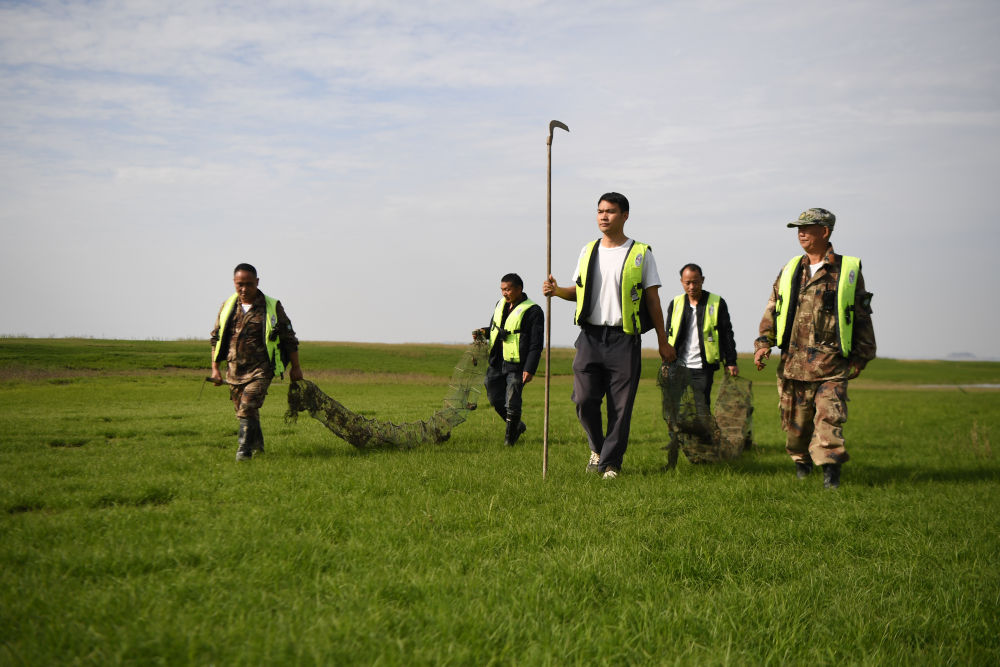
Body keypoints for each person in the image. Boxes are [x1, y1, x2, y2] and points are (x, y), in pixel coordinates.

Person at [543, 192, 676, 479]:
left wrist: (662, 341)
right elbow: (579, 292)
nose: (604, 216)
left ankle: (611, 464)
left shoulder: (641, 253)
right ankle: (597, 448)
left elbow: (652, 300)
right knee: (583, 399)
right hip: (590, 337)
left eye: (611, 211)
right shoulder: (588, 250)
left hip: (624, 339)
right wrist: (557, 291)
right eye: (600, 211)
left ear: (625, 215)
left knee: (620, 406)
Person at [753, 208, 876, 488]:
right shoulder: (790, 269)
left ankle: (831, 476)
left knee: (829, 420)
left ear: (825, 231)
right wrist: (763, 344)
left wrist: (862, 355)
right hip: (793, 366)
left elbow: (861, 316)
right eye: (799, 228)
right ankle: (802, 463)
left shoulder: (847, 271)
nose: (801, 233)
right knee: (796, 430)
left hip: (831, 365)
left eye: (807, 228)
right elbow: (773, 308)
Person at [210, 263, 303, 461]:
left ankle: (243, 452)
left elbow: (289, 338)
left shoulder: (272, 306)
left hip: (261, 369)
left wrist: (296, 367)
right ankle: (258, 446)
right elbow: (216, 339)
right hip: (234, 371)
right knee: (246, 411)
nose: (244, 289)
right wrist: (215, 369)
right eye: (240, 284)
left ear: (257, 282)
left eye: (249, 284)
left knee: (248, 406)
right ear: (234, 283)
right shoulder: (227, 306)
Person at [663, 263, 739, 468]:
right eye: (687, 282)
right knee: (673, 412)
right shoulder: (675, 303)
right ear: (681, 282)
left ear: (702, 280)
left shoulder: (717, 302)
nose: (691, 286)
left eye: (695, 282)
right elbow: (668, 334)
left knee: (701, 413)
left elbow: (727, 334)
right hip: (677, 366)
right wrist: (666, 362)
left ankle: (703, 454)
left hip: (702, 369)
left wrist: (731, 361)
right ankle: (675, 453)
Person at [475, 273, 544, 446]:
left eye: (508, 289)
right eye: (502, 289)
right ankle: (517, 426)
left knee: (512, 401)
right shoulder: (500, 304)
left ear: (519, 289)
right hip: (497, 361)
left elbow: (536, 344)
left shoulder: (533, 311)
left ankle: (509, 440)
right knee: (494, 397)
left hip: (517, 364)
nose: (504, 293)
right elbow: (495, 328)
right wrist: (483, 332)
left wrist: (530, 368)